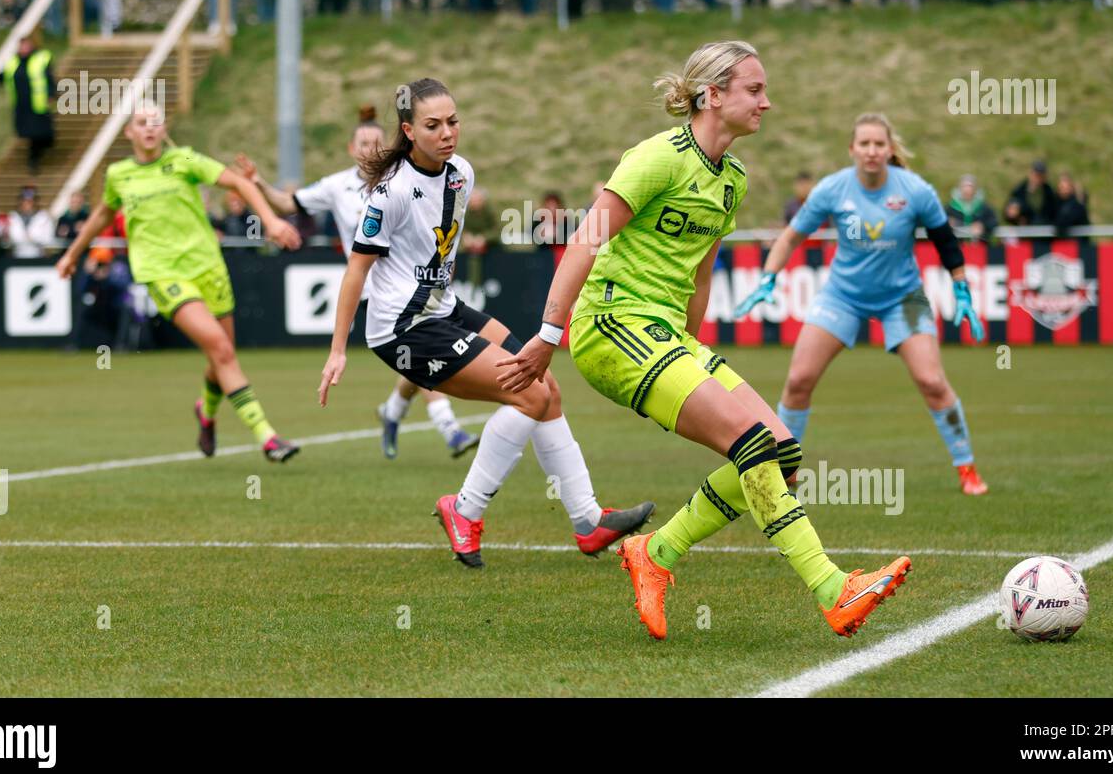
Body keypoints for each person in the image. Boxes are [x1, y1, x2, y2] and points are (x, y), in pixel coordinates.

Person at [499, 43, 912, 641]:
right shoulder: (656, 157)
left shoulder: (733, 180)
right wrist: (547, 334)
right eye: (755, 90)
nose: (767, 103)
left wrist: (691, 357)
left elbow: (699, 271)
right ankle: (832, 587)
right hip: (611, 326)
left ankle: (656, 553)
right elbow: (585, 239)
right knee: (749, 444)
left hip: (665, 335)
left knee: (781, 451)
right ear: (713, 94)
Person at [316, 79, 655, 568]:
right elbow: (356, 271)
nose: (447, 132)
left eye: (453, 121)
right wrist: (337, 350)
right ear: (409, 131)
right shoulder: (389, 194)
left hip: (444, 308)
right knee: (529, 394)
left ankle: (587, 521)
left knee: (545, 386)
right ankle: (465, 509)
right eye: (433, 125)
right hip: (403, 328)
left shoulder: (462, 175)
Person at [737, 112, 989, 497]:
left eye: (879, 144)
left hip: (902, 298)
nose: (872, 151)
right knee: (798, 380)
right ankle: (785, 473)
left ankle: (967, 468)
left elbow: (946, 242)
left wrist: (962, 290)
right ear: (852, 149)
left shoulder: (915, 190)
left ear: (889, 149)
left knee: (932, 382)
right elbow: (790, 237)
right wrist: (768, 277)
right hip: (843, 297)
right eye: (865, 144)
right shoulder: (833, 189)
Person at [56, 105, 303, 461]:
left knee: (222, 355)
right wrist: (72, 255)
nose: (149, 129)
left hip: (208, 269)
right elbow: (102, 214)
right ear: (129, 132)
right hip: (163, 274)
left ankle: (206, 412)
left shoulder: (185, 161)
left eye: (155, 123)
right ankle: (267, 437)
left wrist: (270, 221)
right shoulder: (119, 175)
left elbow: (238, 181)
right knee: (220, 348)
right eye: (141, 123)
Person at [238, 108, 480, 460]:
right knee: (422, 352)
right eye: (363, 143)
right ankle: (450, 429)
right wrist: (258, 182)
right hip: (376, 290)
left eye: (376, 143)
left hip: (418, 288)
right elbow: (289, 203)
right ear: (352, 148)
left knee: (417, 360)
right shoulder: (337, 186)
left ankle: (394, 412)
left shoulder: (407, 178)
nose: (370, 149)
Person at [0, 34, 55, 173]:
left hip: (38, 105)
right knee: (32, 135)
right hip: (22, 106)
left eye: (26, 45)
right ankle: (33, 161)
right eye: (22, 45)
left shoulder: (40, 58)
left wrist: (51, 93)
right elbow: (5, 76)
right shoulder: (14, 62)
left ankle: (37, 156)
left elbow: (49, 78)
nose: (24, 48)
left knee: (43, 134)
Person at [1004, 160, 1058, 226]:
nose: (1038, 179)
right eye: (1036, 175)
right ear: (1030, 174)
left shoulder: (1048, 191)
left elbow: (1053, 212)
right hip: (1025, 231)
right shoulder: (1020, 190)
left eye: (1041, 176)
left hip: (1043, 230)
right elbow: (1009, 213)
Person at [7, 186, 55, 259]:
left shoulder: (44, 217)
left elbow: (48, 239)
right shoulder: (12, 217)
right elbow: (11, 238)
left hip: (38, 257)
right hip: (17, 257)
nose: (28, 203)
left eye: (30, 201)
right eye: (25, 200)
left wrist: (33, 238)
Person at [945, 174, 997, 241]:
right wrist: (947, 223)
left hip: (979, 246)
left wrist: (983, 226)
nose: (967, 190)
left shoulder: (983, 207)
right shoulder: (950, 207)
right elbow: (939, 221)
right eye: (964, 186)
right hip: (956, 245)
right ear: (960, 189)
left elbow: (994, 221)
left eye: (970, 187)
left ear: (975, 189)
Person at [1053, 172, 1090, 237]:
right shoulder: (1054, 204)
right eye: (1062, 187)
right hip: (1060, 243)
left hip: (1076, 242)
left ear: (1072, 188)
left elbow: (1063, 222)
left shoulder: (1077, 205)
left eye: (1067, 188)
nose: (1064, 191)